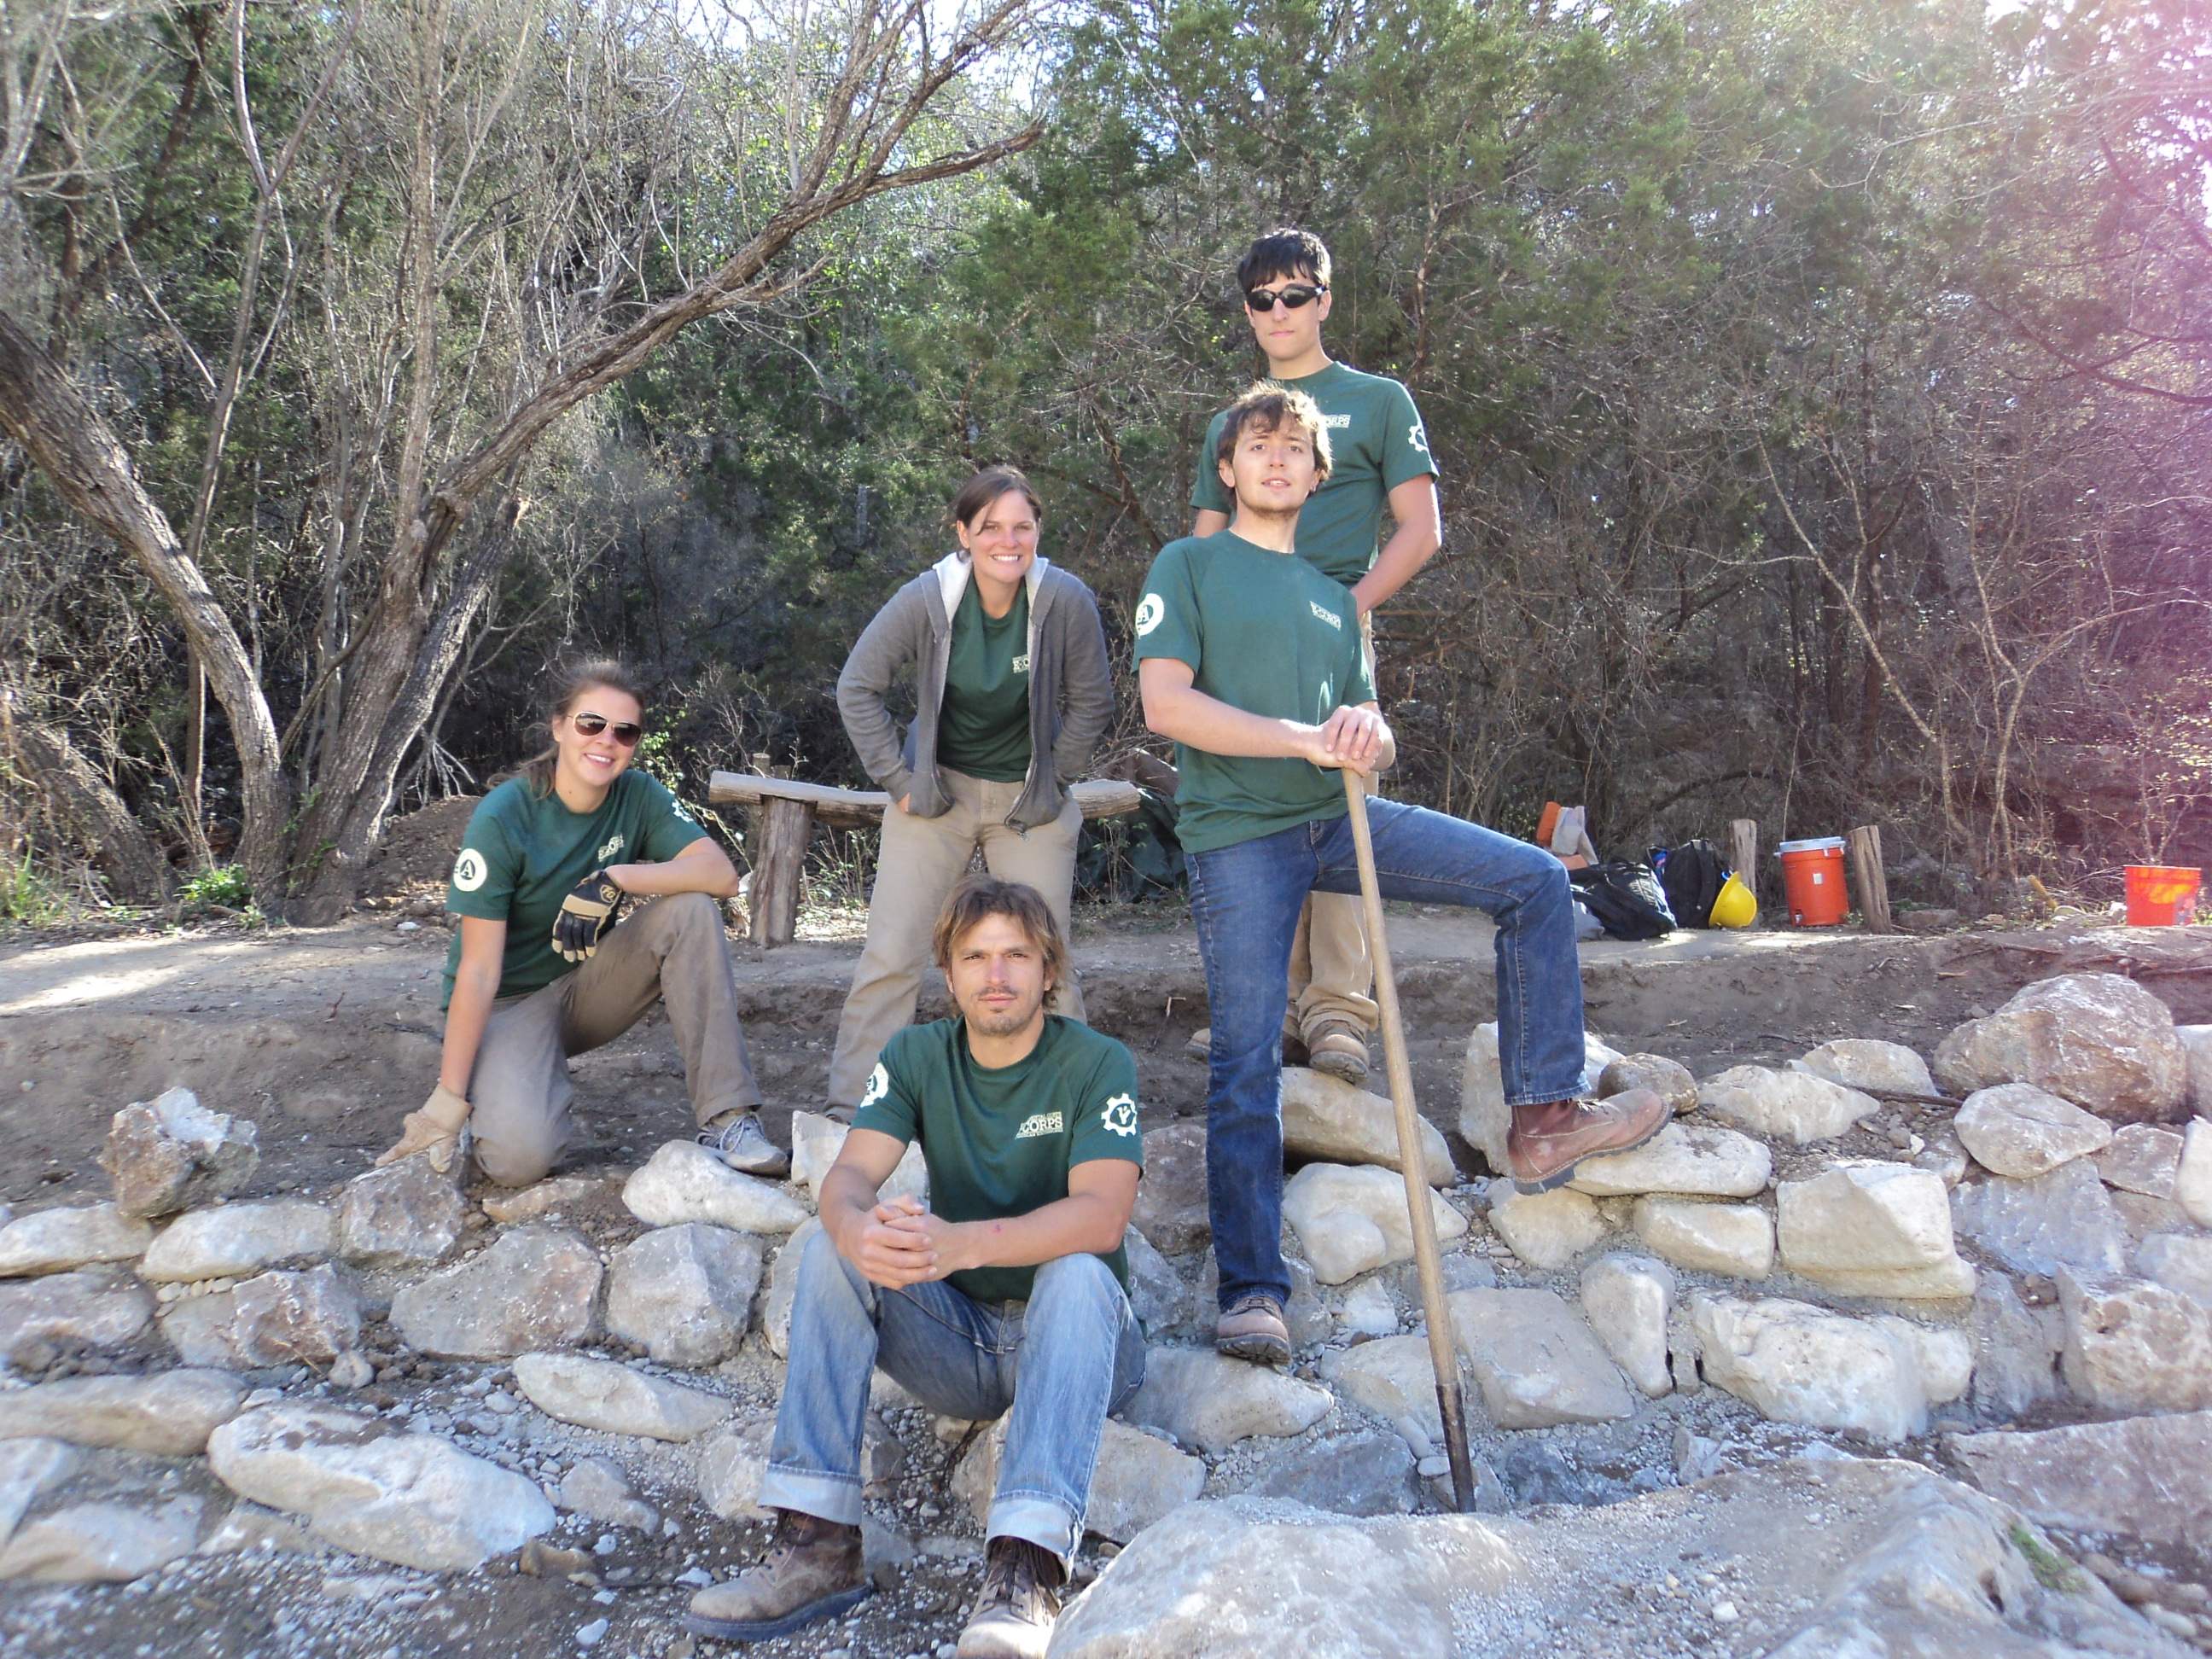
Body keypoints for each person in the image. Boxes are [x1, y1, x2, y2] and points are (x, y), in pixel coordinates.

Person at [1137, 384, 1667, 1367]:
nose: (1277, 459)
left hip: (1339, 820)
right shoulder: (1190, 565)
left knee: (1536, 881)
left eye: (1295, 448)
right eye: (1259, 445)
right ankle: (1252, 1292)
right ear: (1228, 468)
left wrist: (1366, 735)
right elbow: (1166, 706)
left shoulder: (1334, 601)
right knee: (1247, 1055)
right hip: (1239, 836)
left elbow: (1368, 734)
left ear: (1318, 476)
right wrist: (1305, 740)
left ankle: (1545, 1118)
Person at [685, 876, 1144, 1659]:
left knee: (1075, 1273)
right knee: (833, 1249)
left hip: (1083, 1349)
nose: (995, 975)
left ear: (1049, 971)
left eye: (1016, 956)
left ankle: (1026, 1572)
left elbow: (1102, 1217)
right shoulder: (916, 1055)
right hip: (962, 1345)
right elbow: (847, 1179)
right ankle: (817, 1546)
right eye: (975, 957)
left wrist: (962, 1243)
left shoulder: (1098, 1062)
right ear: (949, 973)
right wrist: (858, 1229)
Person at [1184, 228, 1443, 1089]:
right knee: (1250, 802)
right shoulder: (1232, 425)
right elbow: (1206, 541)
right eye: (1263, 299)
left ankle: (1338, 1011)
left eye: (1296, 294)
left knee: (1341, 795)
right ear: (1248, 311)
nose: (1280, 311)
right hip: (1239, 626)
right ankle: (1263, 1003)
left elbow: (1421, 529)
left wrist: (1345, 611)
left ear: (1324, 301)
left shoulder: (1378, 400)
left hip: (1330, 619)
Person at [378, 659, 786, 1184]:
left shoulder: (638, 795)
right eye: (591, 723)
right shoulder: (503, 816)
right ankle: (499, 1088)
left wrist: (616, 877)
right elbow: (477, 973)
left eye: (625, 731)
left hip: (588, 988)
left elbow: (721, 876)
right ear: (559, 726)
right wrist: (446, 1102)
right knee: (517, 1162)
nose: (606, 741)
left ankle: (729, 1120)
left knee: (691, 911)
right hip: (509, 1004)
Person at [827, 466, 1115, 1120]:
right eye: (990, 527)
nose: (1007, 541)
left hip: (1029, 799)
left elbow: (1093, 701)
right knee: (893, 954)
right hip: (938, 792)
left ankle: (1070, 1111)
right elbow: (857, 686)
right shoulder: (928, 598)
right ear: (964, 533)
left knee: (1045, 957)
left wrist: (1055, 779)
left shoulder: (1064, 600)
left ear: (1038, 531)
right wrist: (898, 780)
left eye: (1022, 527)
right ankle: (852, 1114)